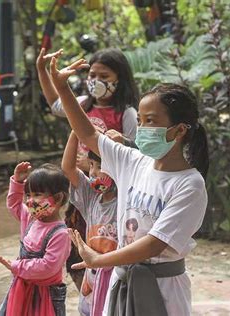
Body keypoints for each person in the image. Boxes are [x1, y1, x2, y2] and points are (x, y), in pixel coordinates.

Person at [50, 55, 209, 316]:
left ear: (179, 131)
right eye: (140, 122)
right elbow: (88, 134)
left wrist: (100, 260)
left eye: (151, 121)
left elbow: (155, 243)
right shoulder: (133, 161)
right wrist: (63, 88)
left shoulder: (189, 185)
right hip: (121, 281)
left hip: (162, 289)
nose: (143, 128)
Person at [37, 47, 139, 291]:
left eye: (104, 76)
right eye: (92, 75)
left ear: (120, 79)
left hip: (110, 192)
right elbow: (54, 104)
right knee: (78, 241)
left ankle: (106, 283)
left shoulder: (127, 114)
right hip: (83, 184)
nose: (96, 81)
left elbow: (134, 153)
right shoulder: (81, 103)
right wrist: (42, 70)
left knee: (105, 240)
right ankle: (90, 288)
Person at [0, 162, 71, 316]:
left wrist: (17, 266)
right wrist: (17, 182)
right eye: (28, 195)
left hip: (45, 296)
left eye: (37, 194)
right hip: (20, 289)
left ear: (57, 198)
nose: (30, 200)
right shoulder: (31, 218)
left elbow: (48, 266)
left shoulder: (60, 234)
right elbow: (14, 205)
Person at [61, 132, 118, 316]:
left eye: (100, 166)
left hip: (117, 278)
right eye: (91, 165)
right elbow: (68, 168)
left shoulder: (127, 199)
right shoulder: (91, 198)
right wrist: (76, 132)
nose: (93, 172)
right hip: (92, 281)